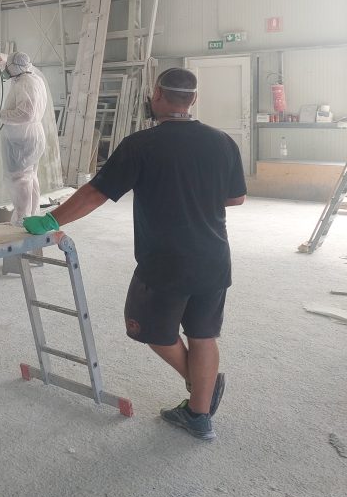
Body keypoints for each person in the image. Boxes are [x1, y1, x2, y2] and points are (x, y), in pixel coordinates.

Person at [22, 67, 246, 441]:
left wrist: (51, 219)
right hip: (214, 258)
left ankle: (199, 387)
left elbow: (96, 193)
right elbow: (236, 198)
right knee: (203, 334)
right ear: (193, 99)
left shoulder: (141, 145)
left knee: (151, 331)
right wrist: (197, 194)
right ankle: (199, 413)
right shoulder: (223, 142)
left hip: (166, 262)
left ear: (156, 95)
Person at [0, 51, 49, 225]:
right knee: (29, 177)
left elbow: (26, 114)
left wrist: (3, 115)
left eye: (8, 67)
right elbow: (11, 68)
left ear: (15, 68)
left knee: (19, 179)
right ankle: (32, 216)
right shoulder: (31, 77)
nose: (6, 70)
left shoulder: (25, 83)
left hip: (22, 139)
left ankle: (22, 219)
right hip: (30, 136)